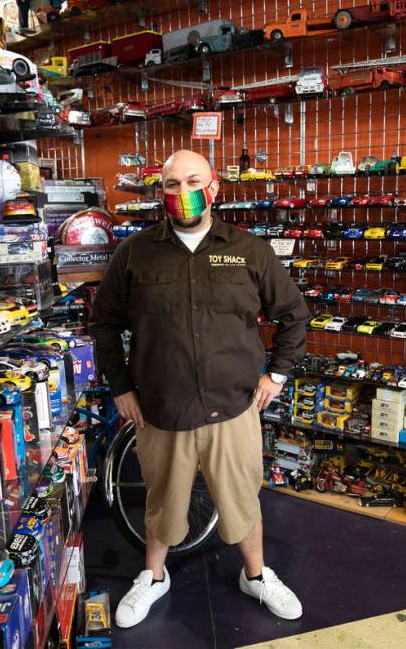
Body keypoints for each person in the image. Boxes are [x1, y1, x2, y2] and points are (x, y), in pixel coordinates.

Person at [89, 149, 310, 629]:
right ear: (161, 191)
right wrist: (121, 386)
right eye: (172, 184)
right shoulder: (135, 253)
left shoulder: (250, 250)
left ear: (214, 189)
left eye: (193, 181)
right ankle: (152, 576)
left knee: (243, 499)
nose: (183, 192)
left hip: (233, 408)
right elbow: (103, 322)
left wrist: (278, 374)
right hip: (161, 410)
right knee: (162, 501)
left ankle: (256, 575)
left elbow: (294, 316)